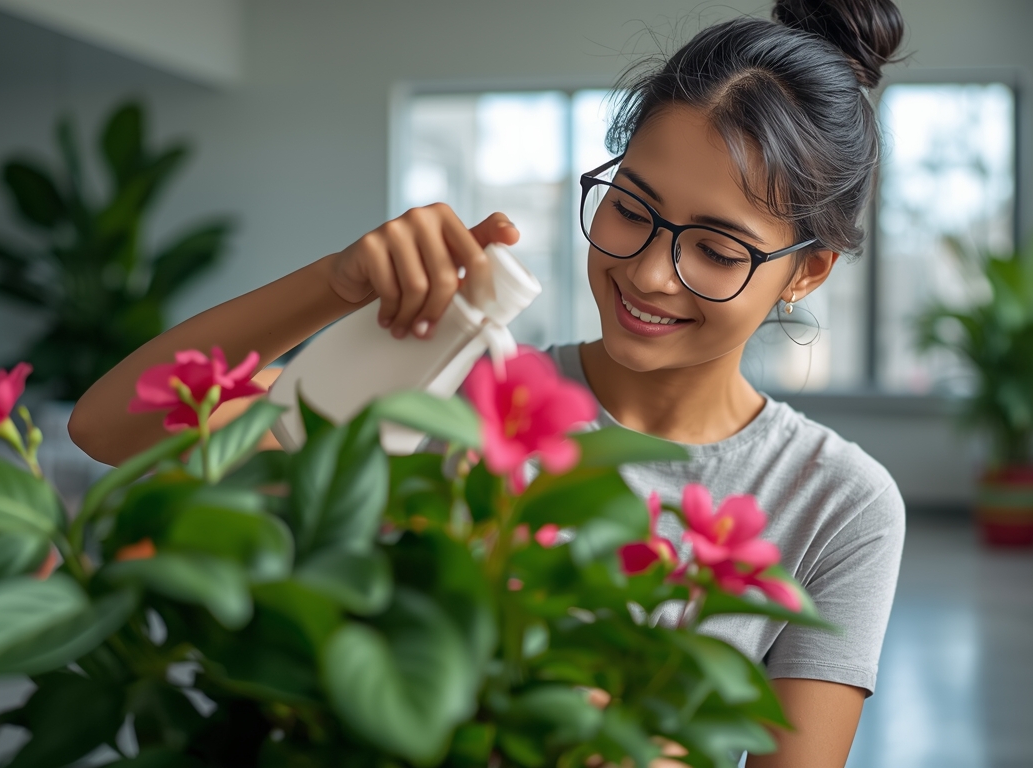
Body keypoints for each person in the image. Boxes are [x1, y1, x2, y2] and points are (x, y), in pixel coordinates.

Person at [70, 1, 906, 765]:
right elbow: (107, 429)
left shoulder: (837, 502)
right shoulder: (465, 383)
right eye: (630, 208)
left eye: (719, 250)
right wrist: (336, 283)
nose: (649, 273)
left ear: (808, 272)